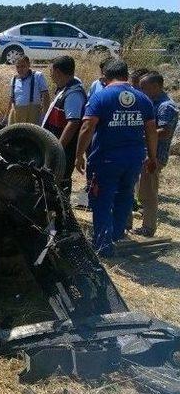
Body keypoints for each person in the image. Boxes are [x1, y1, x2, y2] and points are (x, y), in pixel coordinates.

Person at [75, 59, 158, 257]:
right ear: (126, 76)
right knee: (124, 196)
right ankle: (116, 236)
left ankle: (103, 247)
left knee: (102, 199)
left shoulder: (101, 97)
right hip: (134, 159)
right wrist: (152, 157)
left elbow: (87, 127)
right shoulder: (143, 99)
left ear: (105, 77)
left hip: (106, 159)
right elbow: (151, 131)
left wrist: (78, 155)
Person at [134, 71, 179, 237]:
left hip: (154, 157)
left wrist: (140, 135)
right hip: (146, 154)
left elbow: (164, 132)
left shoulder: (165, 106)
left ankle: (148, 228)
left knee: (149, 193)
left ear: (155, 86)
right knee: (143, 191)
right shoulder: (154, 102)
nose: (141, 91)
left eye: (144, 87)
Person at [42, 55, 87, 196]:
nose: (50, 74)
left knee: (60, 184)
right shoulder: (65, 88)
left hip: (64, 150)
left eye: (51, 70)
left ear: (58, 71)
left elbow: (73, 123)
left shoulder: (73, 94)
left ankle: (63, 215)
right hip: (55, 145)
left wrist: (58, 148)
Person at [5, 55, 50, 125]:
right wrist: (6, 116)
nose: (20, 69)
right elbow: (11, 99)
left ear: (28, 65)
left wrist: (44, 115)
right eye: (18, 67)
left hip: (33, 114)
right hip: (16, 114)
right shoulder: (14, 79)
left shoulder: (38, 76)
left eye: (23, 66)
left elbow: (46, 95)